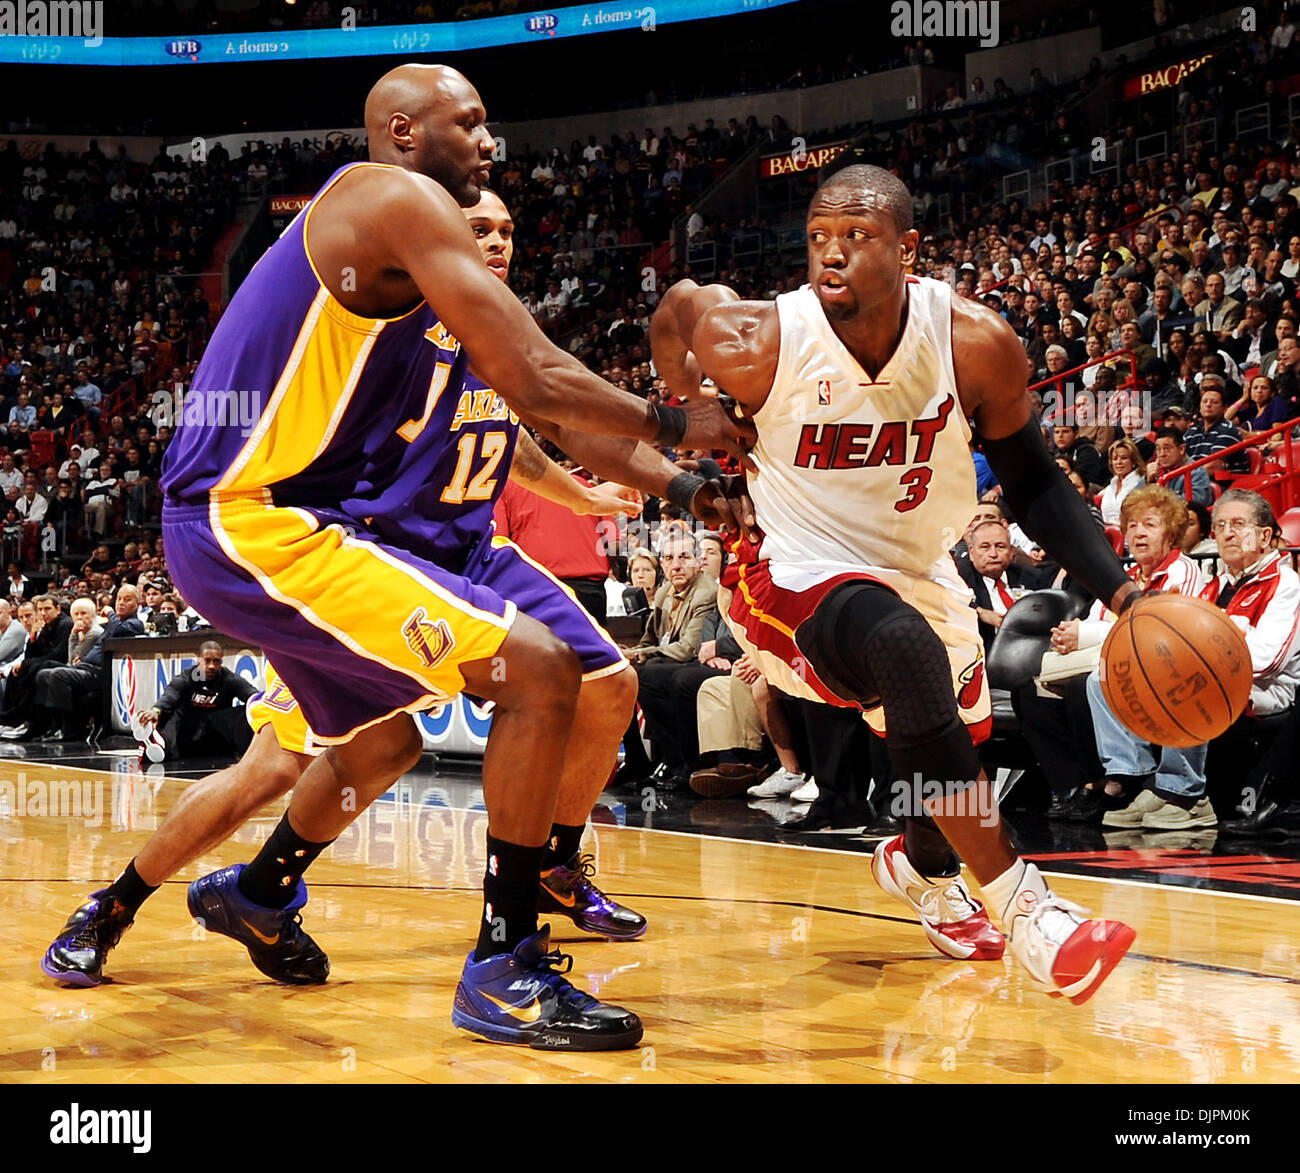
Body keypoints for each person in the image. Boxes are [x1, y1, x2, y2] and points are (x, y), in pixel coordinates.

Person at [42, 115, 743, 1051]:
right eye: (475, 225)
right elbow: (544, 388)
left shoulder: (470, 320)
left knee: (460, 726)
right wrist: (674, 421)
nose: (488, 236)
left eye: (501, 232)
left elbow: (539, 436)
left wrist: (673, 487)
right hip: (345, 548)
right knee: (281, 762)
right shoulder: (402, 285)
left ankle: (313, 889)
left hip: (457, 558)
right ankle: (120, 902)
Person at [651, 163, 1138, 1003]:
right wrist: (685, 399)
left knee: (944, 769)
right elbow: (676, 305)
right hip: (788, 568)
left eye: (856, 237)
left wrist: (1125, 593)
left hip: (916, 569)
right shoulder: (762, 337)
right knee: (903, 653)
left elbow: (1037, 485)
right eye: (816, 239)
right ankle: (1031, 913)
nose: (829, 255)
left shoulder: (974, 341)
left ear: (908, 248)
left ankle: (919, 868)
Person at [1049, 488, 1207, 824]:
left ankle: (1132, 781)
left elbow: (1163, 627)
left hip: (1168, 667)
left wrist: (1087, 635)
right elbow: (1097, 621)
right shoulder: (1127, 577)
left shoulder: (1184, 572)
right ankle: (1104, 777)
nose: (1138, 532)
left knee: (1094, 681)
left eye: (1149, 524)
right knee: (1044, 692)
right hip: (1119, 661)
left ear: (1171, 533)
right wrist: (1070, 636)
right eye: (1132, 525)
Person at [132, 640, 259, 763]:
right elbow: (169, 697)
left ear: (221, 662)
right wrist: (155, 711)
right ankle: (158, 742)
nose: (211, 666)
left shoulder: (229, 679)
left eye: (216, 662)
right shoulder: (185, 678)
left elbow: (254, 696)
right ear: (198, 660)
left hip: (216, 733)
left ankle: (253, 752)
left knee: (248, 710)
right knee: (171, 711)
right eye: (207, 661)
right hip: (187, 731)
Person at [1098, 438, 1146, 527]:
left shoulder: (1140, 484)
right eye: (1115, 459)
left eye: (1124, 458)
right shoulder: (1110, 487)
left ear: (1133, 461)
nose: (1118, 462)